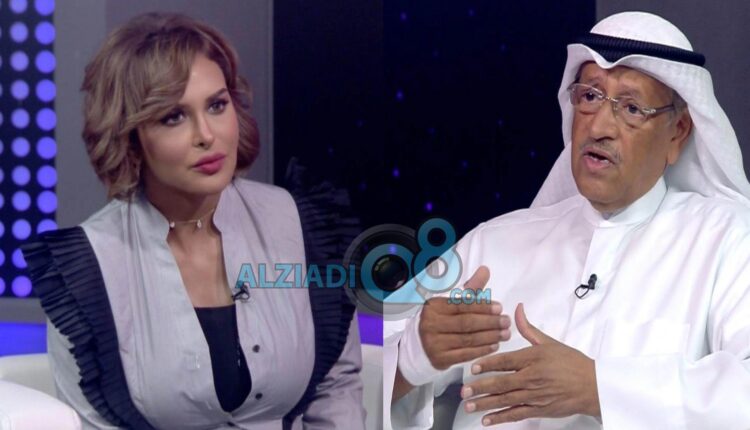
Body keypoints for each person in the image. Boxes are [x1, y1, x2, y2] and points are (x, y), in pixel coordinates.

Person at [385, 11, 750, 430]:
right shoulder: (493, 244)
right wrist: (410, 357)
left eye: (631, 107)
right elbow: (349, 364)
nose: (599, 127)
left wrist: (598, 388)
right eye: (590, 96)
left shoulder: (728, 240)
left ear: (678, 132)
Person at [22, 12, 366, 429]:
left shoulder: (301, 224)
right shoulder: (86, 272)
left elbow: (336, 385)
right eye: (174, 117)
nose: (206, 134)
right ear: (130, 137)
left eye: (217, 105)